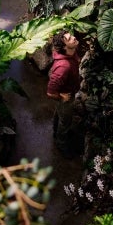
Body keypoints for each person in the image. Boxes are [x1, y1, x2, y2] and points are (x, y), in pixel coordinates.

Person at [47, 30, 81, 158]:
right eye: (69, 39)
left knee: (59, 113)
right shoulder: (63, 67)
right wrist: (61, 97)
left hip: (67, 92)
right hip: (65, 97)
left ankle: (56, 131)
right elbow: (50, 92)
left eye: (71, 35)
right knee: (65, 121)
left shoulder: (70, 52)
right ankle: (61, 144)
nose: (73, 37)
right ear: (64, 47)